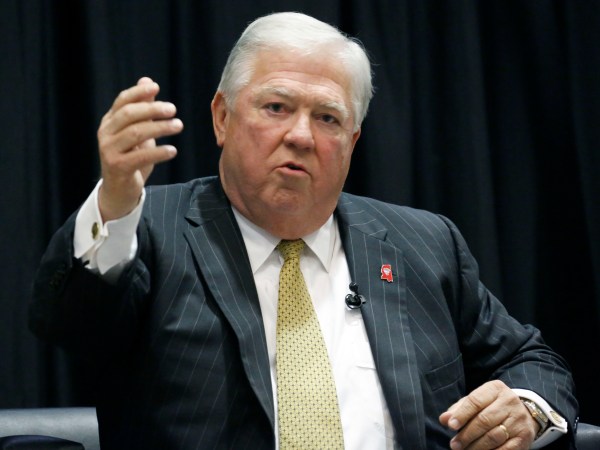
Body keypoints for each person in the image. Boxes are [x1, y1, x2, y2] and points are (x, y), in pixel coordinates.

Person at [30, 11, 578, 450]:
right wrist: (115, 205)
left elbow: (533, 361)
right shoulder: (149, 229)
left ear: (353, 141)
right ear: (222, 117)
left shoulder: (423, 243)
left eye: (327, 118)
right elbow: (67, 323)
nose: (300, 135)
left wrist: (527, 408)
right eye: (276, 107)